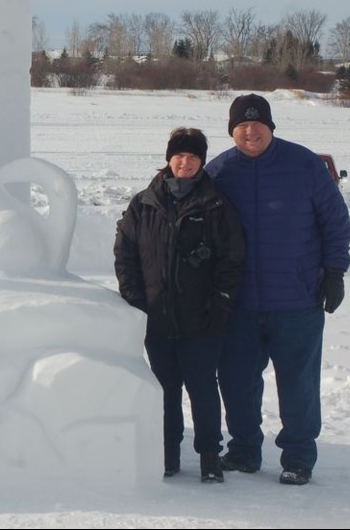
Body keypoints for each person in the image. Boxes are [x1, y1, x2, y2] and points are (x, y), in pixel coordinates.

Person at [205, 94, 350, 486]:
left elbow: (335, 221)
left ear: (270, 127)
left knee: (299, 384)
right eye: (242, 126)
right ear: (232, 130)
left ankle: (299, 457)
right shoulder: (219, 171)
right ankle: (244, 450)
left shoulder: (303, 165)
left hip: (297, 300)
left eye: (257, 124)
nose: (250, 131)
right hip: (239, 304)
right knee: (235, 381)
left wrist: (335, 271)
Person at [114, 127, 246, 482]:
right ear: (168, 159)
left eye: (192, 157)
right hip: (156, 317)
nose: (185, 162)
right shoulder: (144, 203)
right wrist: (134, 299)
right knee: (164, 389)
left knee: (202, 387)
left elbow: (232, 261)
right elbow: (125, 253)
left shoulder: (216, 204)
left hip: (202, 319)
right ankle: (167, 453)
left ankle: (209, 457)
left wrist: (220, 303)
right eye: (179, 156)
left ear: (201, 161)